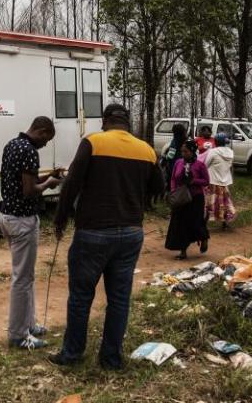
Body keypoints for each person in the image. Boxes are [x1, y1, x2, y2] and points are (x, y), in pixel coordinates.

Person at [50, 104, 164, 370]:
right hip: (131, 233)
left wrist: (60, 218)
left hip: (93, 232)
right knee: (119, 299)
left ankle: (72, 355)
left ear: (105, 121)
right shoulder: (146, 150)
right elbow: (158, 188)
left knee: (80, 296)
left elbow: (72, 184)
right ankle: (111, 359)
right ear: (128, 123)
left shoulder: (93, 142)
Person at [0, 117, 63, 350]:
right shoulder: (30, 151)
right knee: (22, 279)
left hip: (8, 215)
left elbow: (21, 182)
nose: (46, 144)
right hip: (23, 219)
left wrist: (46, 177)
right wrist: (50, 184)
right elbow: (29, 191)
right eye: (47, 139)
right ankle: (18, 334)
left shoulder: (12, 144)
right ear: (42, 131)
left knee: (26, 276)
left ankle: (29, 324)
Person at [164, 140, 210, 259]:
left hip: (195, 198)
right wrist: (173, 190)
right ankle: (183, 251)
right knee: (180, 224)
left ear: (192, 151)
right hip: (181, 198)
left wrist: (194, 181)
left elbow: (206, 181)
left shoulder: (200, 165)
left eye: (186, 151)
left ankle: (203, 238)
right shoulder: (178, 163)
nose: (183, 154)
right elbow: (173, 178)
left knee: (196, 222)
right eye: (182, 151)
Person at [204, 133, 236, 230]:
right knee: (225, 202)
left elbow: (206, 164)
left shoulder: (213, 152)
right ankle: (225, 224)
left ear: (216, 142)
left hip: (213, 181)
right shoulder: (230, 152)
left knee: (209, 202)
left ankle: (204, 224)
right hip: (225, 182)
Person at [161, 123, 187, 193]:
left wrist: (164, 156)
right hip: (184, 164)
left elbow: (171, 155)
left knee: (172, 181)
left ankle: (172, 196)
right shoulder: (186, 140)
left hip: (174, 165)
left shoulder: (174, 141)